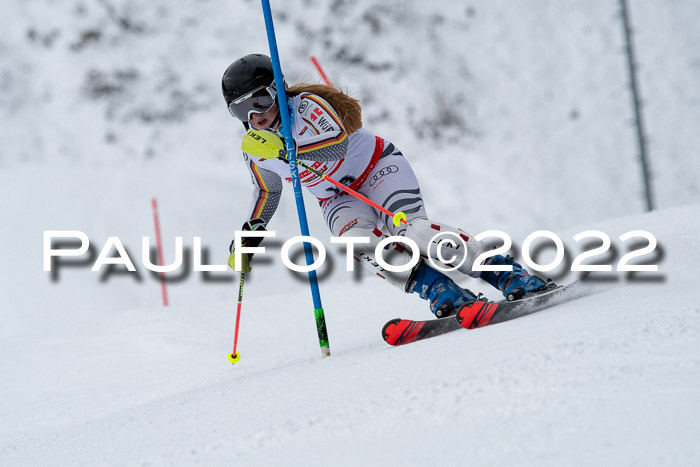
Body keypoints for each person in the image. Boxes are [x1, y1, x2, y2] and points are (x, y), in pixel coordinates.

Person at [222, 53, 550, 318]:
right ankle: (440, 289)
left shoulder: (307, 107)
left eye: (261, 101)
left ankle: (506, 272)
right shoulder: (254, 148)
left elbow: (336, 145)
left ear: (278, 89)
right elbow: (268, 190)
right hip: (337, 198)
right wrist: (251, 233)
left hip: (378, 167)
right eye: (241, 108)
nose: (254, 115)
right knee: (358, 243)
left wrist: (288, 150)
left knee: (414, 232)